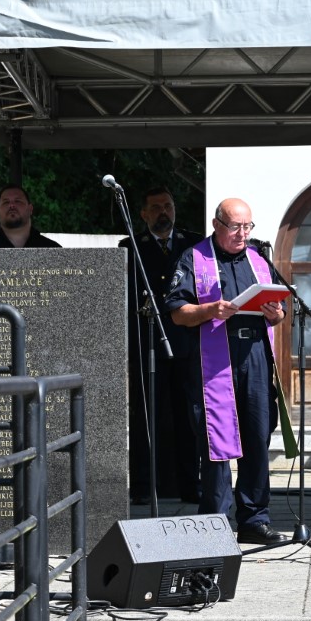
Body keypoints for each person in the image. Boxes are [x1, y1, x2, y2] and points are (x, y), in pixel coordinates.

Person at [165, 197, 290, 544]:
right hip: (215, 360)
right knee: (216, 441)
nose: (242, 234)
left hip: (255, 356)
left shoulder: (259, 260)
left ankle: (254, 520)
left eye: (247, 226)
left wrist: (276, 315)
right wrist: (209, 310)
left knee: (257, 437)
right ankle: (215, 523)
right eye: (235, 226)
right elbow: (177, 312)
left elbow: (278, 312)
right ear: (216, 224)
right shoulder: (194, 258)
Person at [120, 186, 204, 504]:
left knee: (187, 418)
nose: (163, 212)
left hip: (185, 342)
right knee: (146, 417)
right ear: (144, 214)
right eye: (155, 208)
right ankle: (143, 486)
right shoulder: (130, 247)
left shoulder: (193, 244)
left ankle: (190, 484)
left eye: (168, 206)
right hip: (148, 343)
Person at [0, 184, 62, 248]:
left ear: (30, 209)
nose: (11, 205)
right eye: (6, 202)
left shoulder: (53, 250)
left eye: (18, 201)